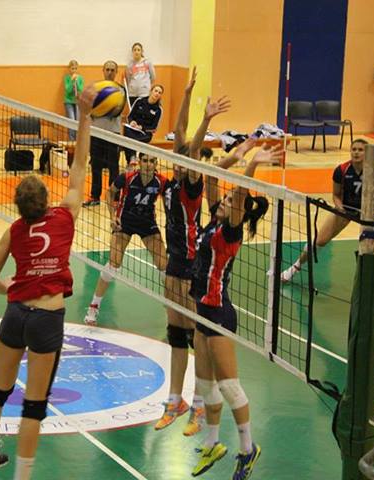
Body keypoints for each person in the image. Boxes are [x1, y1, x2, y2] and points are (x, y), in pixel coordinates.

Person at [0, 86, 95, 480]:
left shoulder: (13, 230)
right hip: (45, 320)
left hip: (15, 314)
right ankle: (22, 476)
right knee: (34, 405)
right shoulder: (64, 216)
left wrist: (10, 288)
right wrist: (85, 117)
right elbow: (80, 166)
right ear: (45, 199)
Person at [190, 141, 282, 479]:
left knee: (229, 386)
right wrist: (234, 155)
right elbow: (213, 178)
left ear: (238, 212)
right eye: (225, 200)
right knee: (205, 384)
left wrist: (252, 165)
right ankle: (213, 442)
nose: (224, 202)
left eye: (230, 202)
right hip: (201, 312)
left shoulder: (230, 232)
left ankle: (247, 448)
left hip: (218, 314)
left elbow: (240, 195)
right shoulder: (213, 223)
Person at [154, 87, 231, 434]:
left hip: (191, 266)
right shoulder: (171, 184)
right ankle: (175, 401)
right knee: (175, 334)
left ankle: (200, 404)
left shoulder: (191, 186)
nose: (177, 160)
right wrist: (185, 94)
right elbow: (179, 131)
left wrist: (207, 119)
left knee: (197, 338)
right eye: (176, 157)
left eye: (182, 159)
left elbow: (192, 148)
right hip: (173, 264)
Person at [281, 139, 374, 283]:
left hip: (368, 213)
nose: (356, 152)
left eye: (360, 150)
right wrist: (340, 208)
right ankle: (293, 269)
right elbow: (336, 195)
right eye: (354, 149)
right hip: (346, 210)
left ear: (367, 152)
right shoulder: (341, 170)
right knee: (318, 241)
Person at [83, 152, 168, 326]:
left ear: (156, 163)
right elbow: (110, 193)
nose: (148, 164)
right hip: (125, 223)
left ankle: (173, 310)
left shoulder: (161, 182)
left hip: (147, 223)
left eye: (152, 161)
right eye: (145, 160)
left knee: (164, 267)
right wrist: (112, 216)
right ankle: (93, 307)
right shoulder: (127, 177)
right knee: (113, 265)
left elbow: (170, 201)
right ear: (139, 162)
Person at [83, 60, 122, 207]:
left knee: (113, 166)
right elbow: (89, 108)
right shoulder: (96, 89)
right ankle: (95, 196)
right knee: (96, 166)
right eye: (107, 69)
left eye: (112, 70)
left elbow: (117, 110)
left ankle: (114, 197)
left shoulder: (120, 90)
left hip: (113, 133)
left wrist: (102, 108)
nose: (110, 72)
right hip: (97, 132)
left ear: (116, 72)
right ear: (103, 70)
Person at [122, 84, 164, 167]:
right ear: (151, 91)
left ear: (160, 96)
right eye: (156, 91)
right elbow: (130, 116)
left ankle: (131, 159)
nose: (157, 93)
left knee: (130, 139)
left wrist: (142, 128)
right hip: (133, 129)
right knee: (127, 131)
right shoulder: (139, 101)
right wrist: (132, 122)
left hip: (145, 133)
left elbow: (154, 128)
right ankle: (131, 159)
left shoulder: (158, 110)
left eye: (159, 93)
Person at [125, 42, 155, 106]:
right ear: (132, 52)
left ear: (142, 51)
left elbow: (153, 77)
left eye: (138, 50)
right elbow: (128, 78)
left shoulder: (147, 62)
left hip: (144, 93)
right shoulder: (129, 64)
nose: (136, 52)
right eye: (135, 50)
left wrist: (146, 86)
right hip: (132, 94)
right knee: (133, 110)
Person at [63, 60, 84, 141]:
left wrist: (76, 82)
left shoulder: (80, 78)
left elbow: (80, 89)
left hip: (77, 102)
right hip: (68, 102)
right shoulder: (67, 78)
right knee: (71, 121)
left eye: (75, 68)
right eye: (72, 68)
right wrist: (72, 81)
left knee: (77, 121)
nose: (74, 70)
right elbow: (68, 90)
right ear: (69, 69)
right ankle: (71, 141)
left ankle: (77, 141)